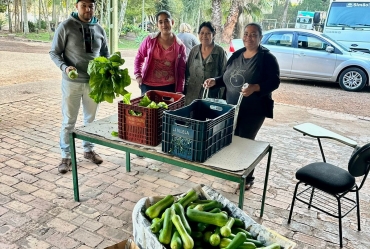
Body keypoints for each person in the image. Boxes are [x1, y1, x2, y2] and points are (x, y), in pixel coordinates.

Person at [203, 23, 280, 189]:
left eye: (253, 34)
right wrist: (214, 81)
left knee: (245, 142)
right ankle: (232, 170)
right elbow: (226, 76)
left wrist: (255, 87)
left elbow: (274, 82)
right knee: (230, 139)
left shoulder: (267, 58)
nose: (249, 37)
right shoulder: (237, 55)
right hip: (231, 107)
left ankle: (247, 179)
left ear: (260, 37)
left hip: (253, 110)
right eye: (246, 34)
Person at [49, 0, 109, 174]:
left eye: (91, 6)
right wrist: (65, 67)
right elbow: (54, 52)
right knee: (69, 121)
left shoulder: (99, 28)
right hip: (72, 83)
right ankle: (65, 157)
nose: (88, 9)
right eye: (84, 5)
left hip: (93, 84)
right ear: (76, 6)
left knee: (90, 120)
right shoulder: (66, 26)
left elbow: (105, 53)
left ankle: (89, 150)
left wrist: (106, 69)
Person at [134, 10, 186, 95]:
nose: (164, 25)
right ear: (157, 25)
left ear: (172, 22)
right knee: (148, 108)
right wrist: (138, 75)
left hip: (169, 87)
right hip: (148, 85)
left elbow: (181, 70)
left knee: (166, 108)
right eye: (160, 22)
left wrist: (179, 90)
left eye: (166, 21)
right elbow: (139, 57)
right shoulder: (150, 40)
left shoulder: (180, 46)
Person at [185, 21, 227, 105]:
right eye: (202, 33)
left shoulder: (219, 52)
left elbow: (225, 74)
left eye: (208, 33)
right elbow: (187, 72)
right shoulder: (194, 50)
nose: (204, 36)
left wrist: (221, 97)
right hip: (192, 95)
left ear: (213, 34)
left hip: (211, 96)